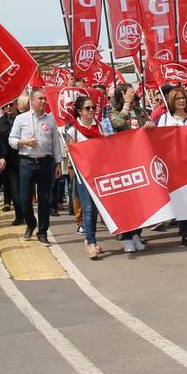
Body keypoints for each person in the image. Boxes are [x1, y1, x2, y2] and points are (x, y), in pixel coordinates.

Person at [9, 89, 64, 245]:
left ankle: (42, 231)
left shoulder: (50, 120)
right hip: (26, 162)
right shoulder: (21, 119)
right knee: (24, 199)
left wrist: (58, 162)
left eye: (45, 99)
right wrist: (23, 142)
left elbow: (55, 143)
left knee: (44, 199)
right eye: (40, 98)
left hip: (46, 163)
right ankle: (31, 222)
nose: (43, 101)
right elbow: (11, 140)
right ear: (32, 101)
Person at [155, 87, 187, 246]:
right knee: (180, 199)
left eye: (183, 98)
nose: (182, 101)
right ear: (172, 101)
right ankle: (185, 232)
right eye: (178, 99)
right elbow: (158, 139)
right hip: (174, 164)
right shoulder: (165, 118)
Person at [60, 96, 106, 259]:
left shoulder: (99, 126)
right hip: (83, 174)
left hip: (100, 172)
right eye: (87, 108)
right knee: (87, 207)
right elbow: (70, 153)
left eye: (93, 107)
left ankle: (89, 239)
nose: (92, 110)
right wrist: (68, 149)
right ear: (79, 111)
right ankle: (91, 242)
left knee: (96, 209)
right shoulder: (74, 130)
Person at [107, 85, 150, 252]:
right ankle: (127, 238)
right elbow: (117, 124)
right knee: (127, 203)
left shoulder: (140, 111)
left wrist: (149, 124)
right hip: (122, 162)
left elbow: (148, 124)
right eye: (129, 91)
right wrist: (126, 104)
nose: (133, 94)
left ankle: (136, 234)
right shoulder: (113, 113)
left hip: (140, 159)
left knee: (140, 201)